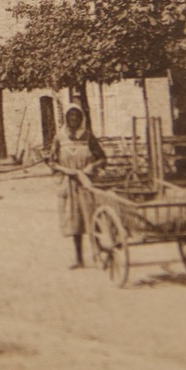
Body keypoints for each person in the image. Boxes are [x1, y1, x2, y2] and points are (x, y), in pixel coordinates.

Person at [53, 103, 107, 269]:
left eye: (77, 116)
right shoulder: (59, 138)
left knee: (92, 218)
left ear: (81, 118)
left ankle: (97, 255)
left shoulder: (89, 137)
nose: (74, 119)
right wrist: (66, 170)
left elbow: (102, 158)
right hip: (69, 184)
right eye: (71, 116)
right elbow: (52, 162)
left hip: (87, 183)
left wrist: (93, 167)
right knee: (74, 221)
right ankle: (79, 259)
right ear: (67, 119)